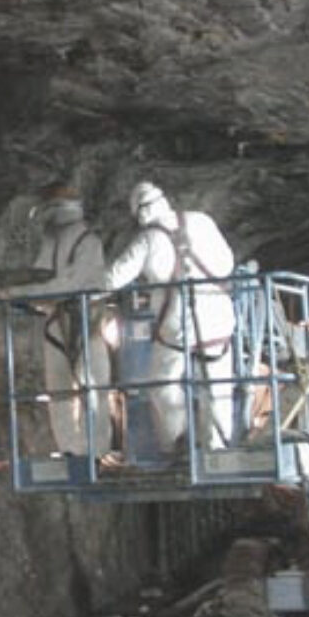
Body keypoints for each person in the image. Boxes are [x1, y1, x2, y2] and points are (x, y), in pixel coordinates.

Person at [106, 181, 235, 452]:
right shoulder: (202, 221)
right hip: (218, 316)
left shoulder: (147, 239)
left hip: (177, 324)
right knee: (218, 385)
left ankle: (180, 442)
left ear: (140, 213)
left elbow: (113, 278)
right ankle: (218, 450)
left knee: (161, 382)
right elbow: (227, 262)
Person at [14, 184, 112, 456]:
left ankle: (96, 450)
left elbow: (66, 283)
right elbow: (40, 277)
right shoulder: (52, 242)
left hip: (85, 323)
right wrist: (14, 288)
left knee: (92, 388)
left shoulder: (88, 242)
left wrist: (20, 293)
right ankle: (70, 448)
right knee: (61, 392)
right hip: (58, 325)